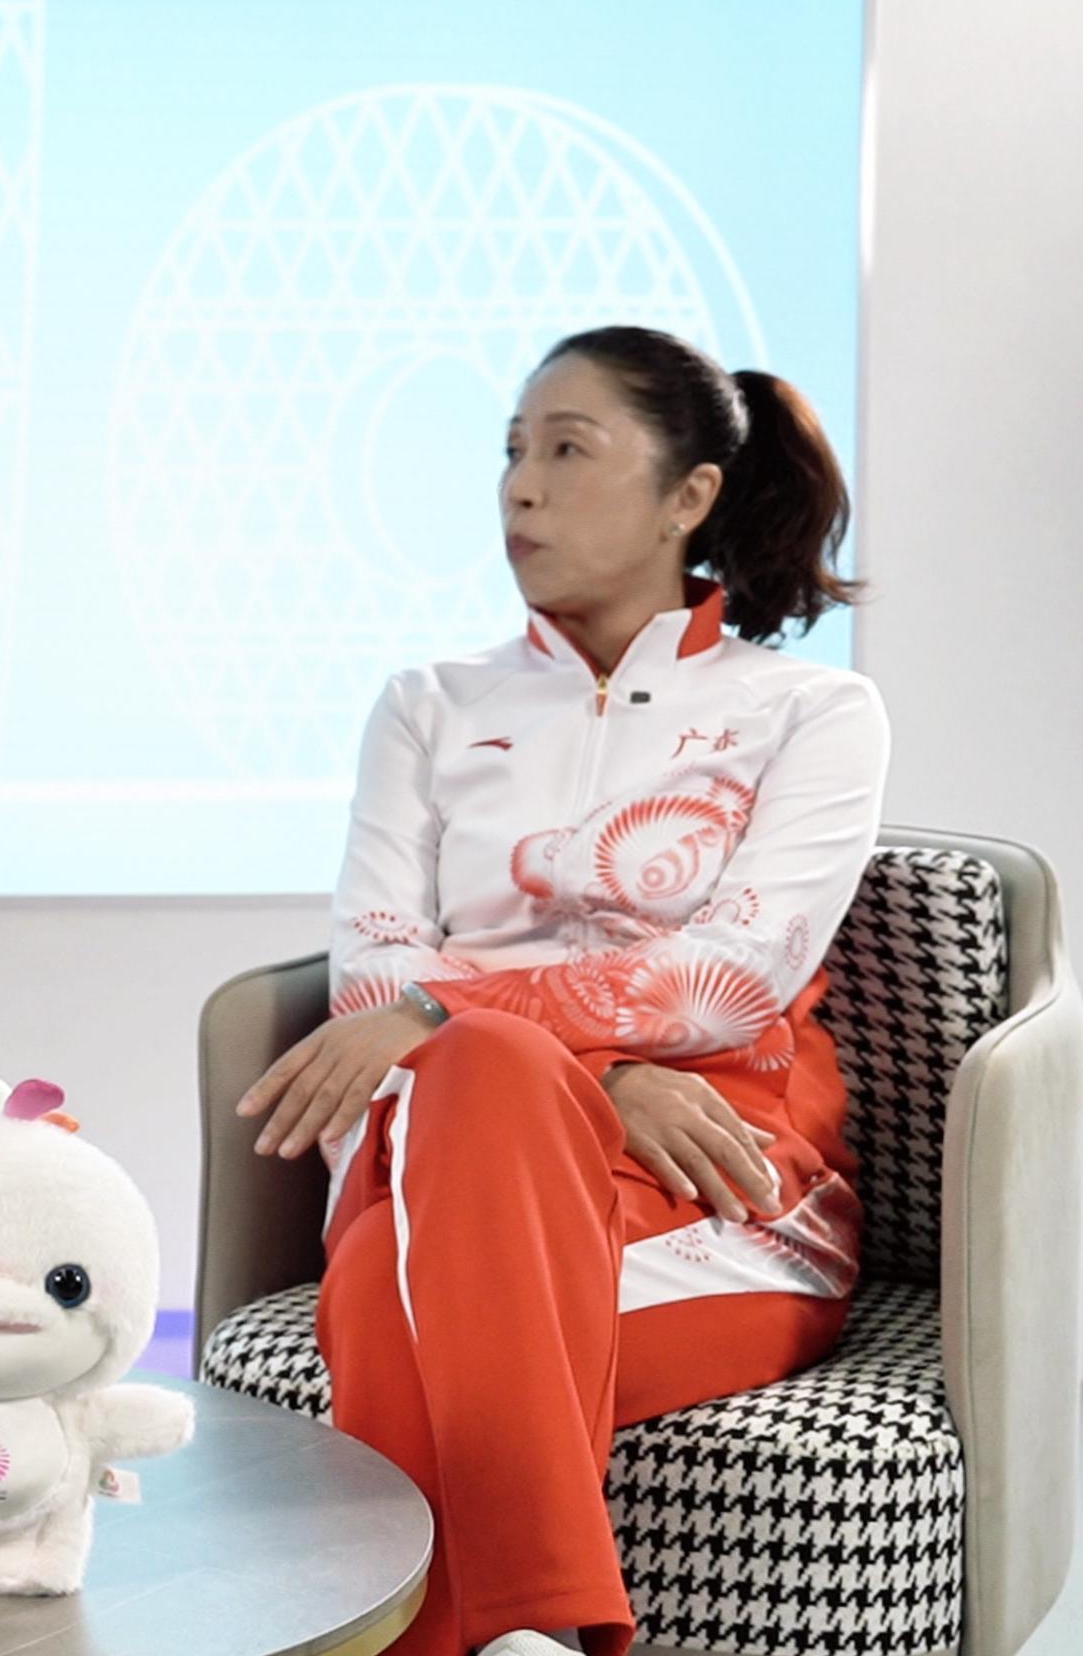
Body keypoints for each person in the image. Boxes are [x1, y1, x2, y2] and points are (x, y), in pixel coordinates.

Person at [237, 326, 888, 1656]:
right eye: (511, 452)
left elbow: (728, 984)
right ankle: (539, 1633)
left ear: (689, 494)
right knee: (485, 1075)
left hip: (714, 1191)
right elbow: (373, 973)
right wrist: (599, 1069)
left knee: (395, 1316)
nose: (520, 487)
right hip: (442, 1158)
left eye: (568, 451)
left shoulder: (812, 714)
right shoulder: (427, 705)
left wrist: (456, 1014)